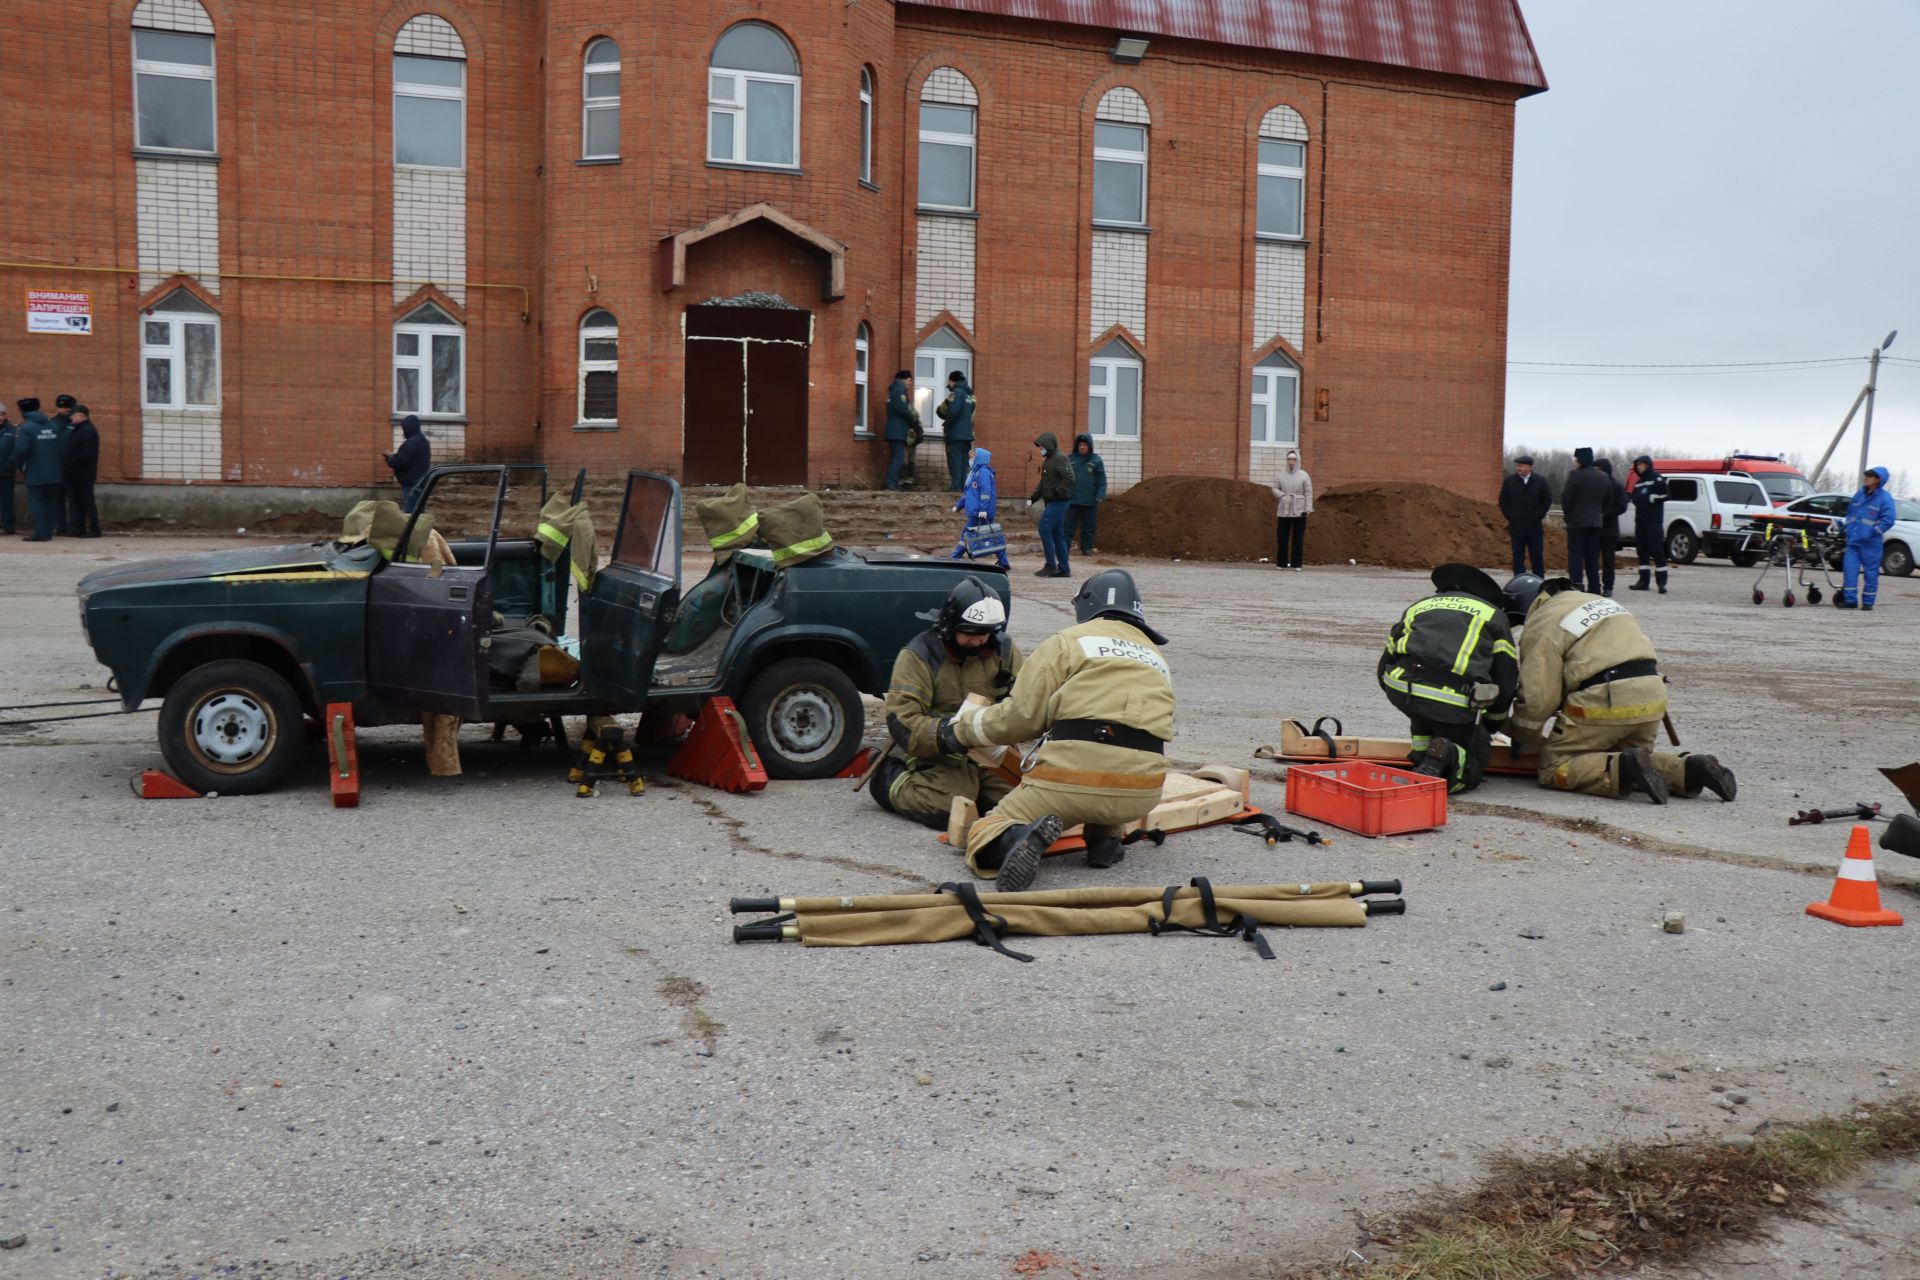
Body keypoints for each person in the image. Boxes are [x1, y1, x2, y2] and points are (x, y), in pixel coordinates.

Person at [938, 569, 1174, 892]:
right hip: (1143, 791)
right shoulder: (1155, 656)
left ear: (1085, 606)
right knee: (1114, 763)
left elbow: (1020, 719)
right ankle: (1105, 842)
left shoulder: (1067, 643)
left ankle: (1017, 837)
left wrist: (963, 729)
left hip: (1074, 781)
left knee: (986, 829)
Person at [1503, 572, 1736, 804]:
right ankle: (1687, 769)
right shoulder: (1598, 602)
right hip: (1652, 696)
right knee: (1638, 762)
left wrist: (1519, 737)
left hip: (1605, 699)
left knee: (1555, 766)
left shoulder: (1541, 621)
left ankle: (1622, 768)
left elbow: (1538, 700)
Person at [872, 577, 1023, 829]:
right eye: (970, 634)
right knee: (945, 809)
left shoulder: (1003, 650)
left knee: (1019, 805)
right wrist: (951, 734)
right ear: (950, 626)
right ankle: (889, 781)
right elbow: (902, 722)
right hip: (936, 751)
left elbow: (1026, 700)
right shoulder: (919, 656)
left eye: (984, 634)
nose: (978, 641)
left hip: (989, 752)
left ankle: (977, 791)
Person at [1377, 563, 1518, 794]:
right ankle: (1452, 758)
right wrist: (1491, 722)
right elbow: (1506, 677)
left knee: (1423, 712)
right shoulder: (1494, 615)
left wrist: (1397, 692)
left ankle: (1422, 757)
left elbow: (1387, 659)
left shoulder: (1419, 606)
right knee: (1475, 753)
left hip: (1401, 687)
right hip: (1451, 699)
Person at [1837, 466, 1897, 611]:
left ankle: (1868, 602)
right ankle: (1850, 600)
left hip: (1871, 543)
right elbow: (1851, 513)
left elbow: (1889, 519)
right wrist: (1846, 528)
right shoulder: (1859, 495)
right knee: (1849, 570)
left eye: (1870, 476)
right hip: (1854, 541)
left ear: (1878, 480)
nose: (1866, 478)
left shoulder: (1884, 498)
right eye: (1866, 475)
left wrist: (1873, 532)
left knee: (1871, 573)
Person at [11, 398, 67, 542]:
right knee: (51, 503)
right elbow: (61, 449)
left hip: (35, 472)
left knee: (37, 503)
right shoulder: (53, 425)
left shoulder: (26, 428)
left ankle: (41, 533)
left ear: (23, 412)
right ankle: (48, 532)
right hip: (55, 472)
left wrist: (19, 465)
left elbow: (21, 450)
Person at [1560, 446, 1610, 595]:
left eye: (1575, 459)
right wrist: (1599, 514)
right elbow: (1608, 500)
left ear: (1580, 460)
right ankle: (1595, 588)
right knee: (1592, 557)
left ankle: (1576, 586)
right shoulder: (1603, 477)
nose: (1574, 462)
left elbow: (1567, 498)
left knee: (1576, 556)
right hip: (1596, 523)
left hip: (1577, 523)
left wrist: (1568, 515)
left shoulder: (1575, 475)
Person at [951, 445, 1009, 569]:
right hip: (977, 511)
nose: (970, 460)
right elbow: (967, 494)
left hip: (981, 512)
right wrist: (958, 506)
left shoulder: (983, 472)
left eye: (972, 457)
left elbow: (985, 492)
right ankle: (1004, 562)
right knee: (990, 535)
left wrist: (983, 509)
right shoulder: (973, 473)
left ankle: (954, 558)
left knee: (966, 534)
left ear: (979, 458)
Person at [1030, 431, 1074, 578]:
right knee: (1057, 534)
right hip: (1052, 502)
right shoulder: (1048, 459)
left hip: (1059, 501)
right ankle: (1064, 569)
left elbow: (1069, 477)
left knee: (1044, 528)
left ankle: (1051, 566)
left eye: (1042, 446)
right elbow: (1043, 483)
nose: (1040, 449)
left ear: (1049, 445)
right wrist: (1033, 497)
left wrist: (1057, 492)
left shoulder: (1060, 458)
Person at [1499, 455, 1552, 576]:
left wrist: (1538, 515)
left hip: (1534, 528)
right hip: (1516, 527)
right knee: (1518, 558)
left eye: (1521, 466)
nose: (1518, 468)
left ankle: (1539, 583)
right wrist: (1510, 515)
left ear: (1529, 467)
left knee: (1536, 557)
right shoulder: (1510, 481)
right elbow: (1503, 500)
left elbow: (1547, 500)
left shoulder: (1540, 482)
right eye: (1517, 466)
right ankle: (1519, 583)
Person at [1626, 455, 1670, 593]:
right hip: (1640, 522)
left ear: (1647, 464)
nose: (1638, 467)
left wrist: (1654, 498)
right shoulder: (1639, 482)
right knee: (1642, 551)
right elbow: (1634, 496)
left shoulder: (1657, 479)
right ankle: (1643, 581)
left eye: (1640, 464)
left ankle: (1661, 583)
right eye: (1637, 464)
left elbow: (1667, 495)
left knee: (1656, 551)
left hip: (1654, 522)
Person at [1268, 449, 1313, 570]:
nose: (1291, 461)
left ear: (1298, 460)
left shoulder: (1304, 475)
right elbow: (1274, 488)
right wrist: (1282, 495)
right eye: (1289, 459)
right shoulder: (1280, 474)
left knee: (1298, 537)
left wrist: (1308, 508)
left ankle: (1296, 563)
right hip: (1284, 508)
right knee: (1282, 536)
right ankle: (1281, 562)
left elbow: (1308, 492)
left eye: (1294, 459)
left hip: (1299, 508)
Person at [63, 405, 102, 537]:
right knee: (77, 502)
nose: (71, 418)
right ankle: (79, 528)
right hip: (75, 474)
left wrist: (71, 464)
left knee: (87, 501)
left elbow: (87, 454)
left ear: (81, 415)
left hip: (83, 474)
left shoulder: (88, 430)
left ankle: (94, 529)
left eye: (73, 415)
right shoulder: (79, 429)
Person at [1066, 433, 1107, 556]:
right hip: (1072, 500)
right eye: (1080, 445)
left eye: (1085, 445)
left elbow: (1101, 480)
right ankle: (1064, 548)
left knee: (1089, 526)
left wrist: (1100, 495)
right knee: (1067, 526)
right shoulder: (1070, 459)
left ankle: (1087, 548)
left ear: (1090, 446)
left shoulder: (1096, 461)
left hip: (1090, 501)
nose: (1082, 447)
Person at [935, 370, 976, 492]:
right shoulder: (969, 395)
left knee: (956, 460)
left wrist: (947, 425)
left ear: (953, 381)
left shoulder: (957, 393)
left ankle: (956, 486)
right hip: (967, 434)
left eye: (949, 382)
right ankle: (963, 487)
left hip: (956, 434)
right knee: (964, 462)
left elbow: (954, 412)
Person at [384, 414, 431, 512]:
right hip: (420, 482)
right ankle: (422, 527)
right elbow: (409, 459)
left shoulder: (411, 443)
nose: (403, 432)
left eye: (404, 428)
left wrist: (389, 458)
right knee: (419, 512)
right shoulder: (423, 441)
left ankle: (412, 527)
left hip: (411, 484)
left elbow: (399, 462)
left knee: (410, 514)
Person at [1595, 458, 1627, 597]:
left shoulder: (1616, 486)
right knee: (1592, 559)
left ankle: (1608, 586)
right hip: (1594, 527)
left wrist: (1605, 515)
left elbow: (1622, 506)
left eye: (1598, 469)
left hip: (1609, 529)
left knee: (1608, 560)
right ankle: (1593, 585)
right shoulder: (1593, 485)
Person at [882, 370, 916, 491]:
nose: (910, 383)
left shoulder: (893, 390)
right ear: (902, 379)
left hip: (894, 428)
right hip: (898, 429)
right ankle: (890, 483)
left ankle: (891, 482)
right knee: (898, 457)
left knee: (896, 456)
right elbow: (902, 409)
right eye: (909, 380)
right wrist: (913, 421)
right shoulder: (899, 391)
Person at [50, 394, 76, 535]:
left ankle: (72, 527)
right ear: (58, 408)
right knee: (58, 498)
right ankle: (60, 526)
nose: (66, 409)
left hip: (72, 466)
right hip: (57, 466)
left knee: (72, 498)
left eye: (69, 407)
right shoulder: (53, 424)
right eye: (63, 406)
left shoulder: (75, 423)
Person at [0, 406, 17, 536]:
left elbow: (16, 450)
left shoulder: (12, 430)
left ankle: (9, 525)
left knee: (7, 500)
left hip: (6, 472)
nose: (0, 417)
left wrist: (8, 464)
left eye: (2, 414)